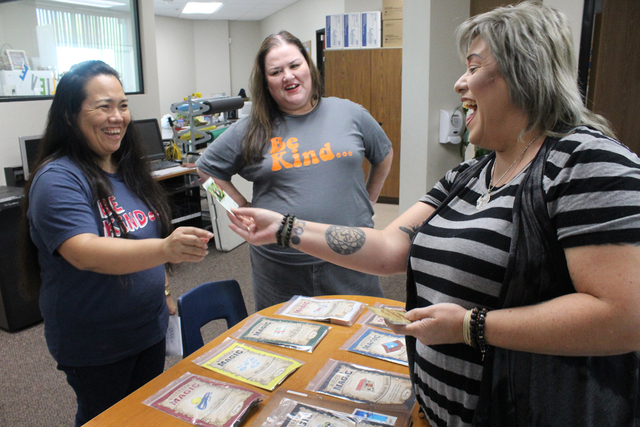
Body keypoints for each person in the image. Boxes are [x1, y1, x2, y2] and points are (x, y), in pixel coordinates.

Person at [224, 3, 640, 426]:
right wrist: (284, 227)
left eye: (473, 67)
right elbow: (388, 250)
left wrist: (472, 327)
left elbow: (626, 318)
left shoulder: (586, 161)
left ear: (525, 73)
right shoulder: (469, 174)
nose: (459, 82)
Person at [19, 60, 213, 426]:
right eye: (103, 106)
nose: (117, 117)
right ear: (69, 116)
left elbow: (144, 234)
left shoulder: (127, 169)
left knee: (142, 414)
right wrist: (166, 249)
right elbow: (84, 251)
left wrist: (164, 290)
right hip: (97, 344)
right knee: (106, 419)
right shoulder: (58, 178)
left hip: (148, 328)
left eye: (122, 105)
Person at [196, 31, 393, 310]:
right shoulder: (251, 127)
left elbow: (384, 154)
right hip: (282, 267)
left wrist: (369, 199)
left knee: (361, 329)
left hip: (351, 256)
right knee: (284, 335)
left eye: (294, 65)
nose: (288, 76)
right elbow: (205, 171)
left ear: (308, 67)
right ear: (266, 82)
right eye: (276, 71)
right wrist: (238, 207)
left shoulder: (350, 113)